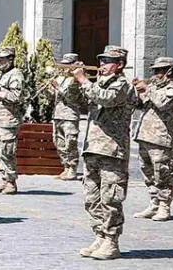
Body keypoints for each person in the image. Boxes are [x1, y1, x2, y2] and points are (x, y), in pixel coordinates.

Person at [72, 45, 134, 260]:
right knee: (93, 197)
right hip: (93, 148)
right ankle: (99, 235)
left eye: (108, 61)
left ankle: (111, 241)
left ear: (119, 65)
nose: (102, 65)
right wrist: (74, 81)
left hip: (112, 150)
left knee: (111, 198)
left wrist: (83, 80)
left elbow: (106, 98)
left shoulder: (122, 85)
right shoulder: (96, 83)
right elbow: (78, 102)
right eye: (101, 61)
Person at [132, 57, 173, 221]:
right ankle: (154, 203)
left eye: (160, 70)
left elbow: (162, 103)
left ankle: (164, 206)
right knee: (148, 173)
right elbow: (141, 105)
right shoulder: (153, 87)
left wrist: (147, 88)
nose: (156, 74)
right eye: (155, 70)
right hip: (145, 135)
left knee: (163, 173)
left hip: (163, 138)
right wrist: (137, 91)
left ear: (169, 71)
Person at [0, 46, 24, 195]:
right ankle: (4, 178)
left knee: (7, 151)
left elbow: (17, 97)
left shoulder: (15, 74)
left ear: (11, 59)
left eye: (2, 58)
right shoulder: (1, 74)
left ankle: (11, 182)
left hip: (9, 120)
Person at [48, 53, 86, 180]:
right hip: (58, 114)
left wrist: (57, 88)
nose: (63, 67)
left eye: (66, 65)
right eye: (63, 65)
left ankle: (73, 168)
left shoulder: (75, 80)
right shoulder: (60, 77)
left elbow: (71, 97)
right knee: (58, 142)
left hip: (70, 115)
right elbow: (53, 97)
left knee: (71, 142)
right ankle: (65, 166)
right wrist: (48, 89)